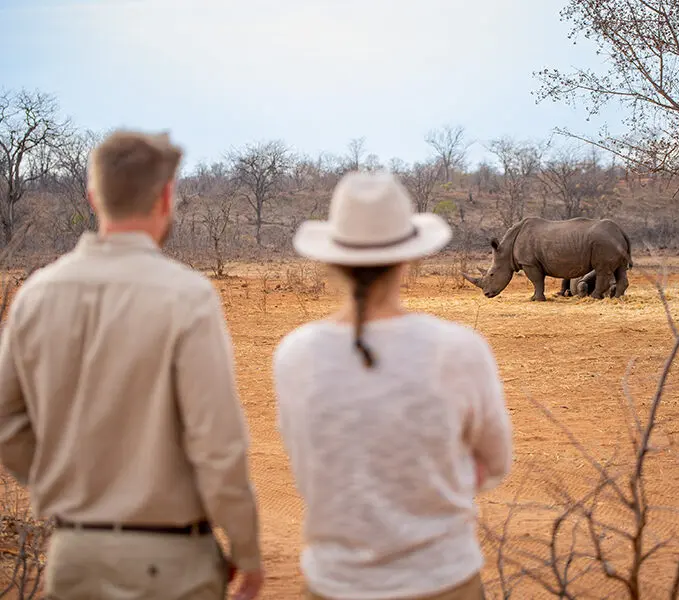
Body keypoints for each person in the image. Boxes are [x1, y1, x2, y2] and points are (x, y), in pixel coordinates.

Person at [0, 130, 264, 600]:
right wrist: (247, 552)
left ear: (93, 195)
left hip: (73, 555)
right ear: (166, 196)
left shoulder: (35, 296)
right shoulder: (186, 296)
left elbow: (5, 422)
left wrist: (57, 481)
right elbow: (217, 445)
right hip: (169, 563)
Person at [273, 170, 514, 600]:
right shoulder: (458, 349)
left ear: (331, 259)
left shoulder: (295, 354)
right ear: (408, 258)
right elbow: (494, 463)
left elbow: (309, 463)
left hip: (336, 581)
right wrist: (436, 478)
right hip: (442, 577)